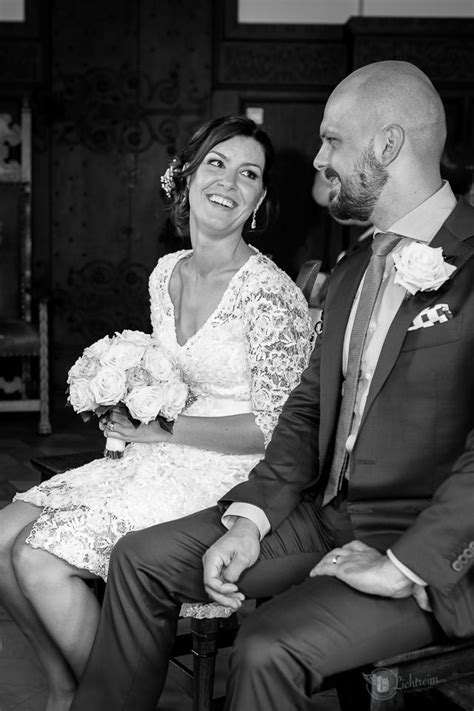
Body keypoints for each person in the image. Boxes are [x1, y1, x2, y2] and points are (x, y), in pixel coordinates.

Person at [71, 60, 474, 711]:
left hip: (424, 540)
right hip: (320, 513)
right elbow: (306, 411)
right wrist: (250, 518)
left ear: (387, 144)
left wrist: (405, 566)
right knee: (140, 556)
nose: (318, 159)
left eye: (332, 140)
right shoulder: (354, 268)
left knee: (263, 647)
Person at [0, 115, 314, 711]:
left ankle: (111, 701)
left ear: (260, 200)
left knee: (37, 559)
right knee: (0, 540)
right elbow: (170, 374)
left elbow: (277, 431)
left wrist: (163, 427)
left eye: (249, 174)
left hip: (229, 473)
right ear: (186, 177)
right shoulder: (166, 272)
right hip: (157, 451)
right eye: (216, 163)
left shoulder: (271, 294)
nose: (229, 182)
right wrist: (128, 394)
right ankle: (67, 689)